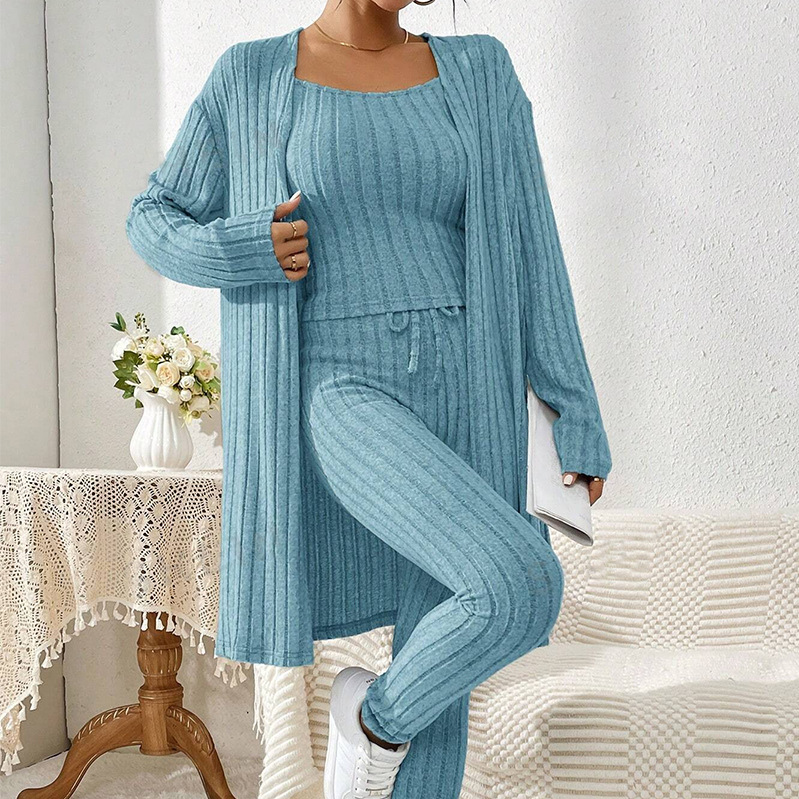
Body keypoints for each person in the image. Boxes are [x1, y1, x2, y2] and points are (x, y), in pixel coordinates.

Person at [126, 2, 612, 797]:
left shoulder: (479, 70)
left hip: (469, 389)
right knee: (520, 581)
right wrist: (242, 247)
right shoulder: (251, 74)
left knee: (463, 629)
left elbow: (532, 244)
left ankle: (378, 729)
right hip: (336, 382)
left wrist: (574, 412)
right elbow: (152, 216)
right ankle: (373, 721)